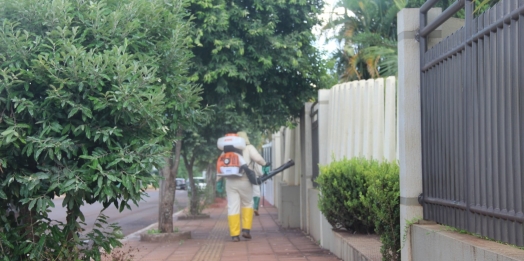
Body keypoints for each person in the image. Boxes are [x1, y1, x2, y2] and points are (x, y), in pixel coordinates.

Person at [216, 133, 258, 242]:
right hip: (244, 182)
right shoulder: (238, 155)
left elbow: (219, 172)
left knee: (232, 206)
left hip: (230, 183)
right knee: (247, 203)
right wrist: (252, 177)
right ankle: (246, 230)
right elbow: (245, 167)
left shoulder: (222, 155)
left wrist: (218, 183)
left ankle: (234, 235)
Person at [236, 131, 267, 216]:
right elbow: (259, 164)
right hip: (252, 176)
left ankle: (239, 211)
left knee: (238, 196)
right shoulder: (250, 149)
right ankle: (255, 208)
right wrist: (264, 167)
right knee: (255, 193)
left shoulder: (232, 150)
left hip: (236, 177)